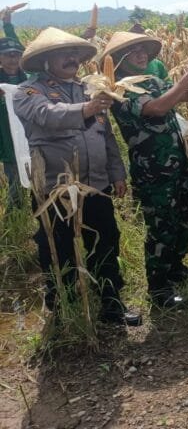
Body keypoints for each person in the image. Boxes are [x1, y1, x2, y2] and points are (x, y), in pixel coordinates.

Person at [14, 28, 141, 326]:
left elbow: (105, 135)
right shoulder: (29, 92)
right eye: (63, 54)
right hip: (56, 191)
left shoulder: (89, 88)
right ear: (46, 60)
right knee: (58, 248)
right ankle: (63, 309)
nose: (72, 59)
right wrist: (87, 108)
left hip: (96, 185)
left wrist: (117, 172)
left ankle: (111, 305)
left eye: (75, 54)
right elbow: (48, 114)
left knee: (107, 241)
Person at [104, 31, 188, 308]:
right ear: (119, 59)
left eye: (143, 50)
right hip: (153, 171)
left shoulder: (151, 80)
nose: (141, 54)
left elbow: (184, 97)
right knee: (162, 226)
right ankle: (158, 288)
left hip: (178, 162)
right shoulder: (120, 89)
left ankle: (175, 266)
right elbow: (159, 108)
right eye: (134, 50)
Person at [0, 34, 27, 210]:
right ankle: (15, 217)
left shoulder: (30, 80)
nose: (12, 59)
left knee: (37, 179)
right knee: (15, 183)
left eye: (16, 54)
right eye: (7, 54)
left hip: (32, 140)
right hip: (8, 141)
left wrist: (8, 27)